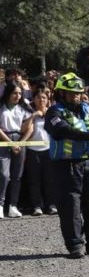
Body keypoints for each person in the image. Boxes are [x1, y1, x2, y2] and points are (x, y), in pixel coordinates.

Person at [44, 73, 89, 258]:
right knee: (70, 205)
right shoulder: (54, 112)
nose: (76, 96)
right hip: (66, 166)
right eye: (71, 93)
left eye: (78, 93)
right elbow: (60, 130)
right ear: (61, 93)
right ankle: (75, 245)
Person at [0, 82, 33, 218]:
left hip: (20, 140)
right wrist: (10, 143)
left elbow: (30, 127)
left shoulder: (23, 108)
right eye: (15, 93)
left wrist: (20, 143)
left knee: (17, 176)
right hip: (4, 140)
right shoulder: (1, 108)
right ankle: (1, 205)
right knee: (4, 174)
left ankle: (13, 205)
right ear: (8, 93)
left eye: (20, 93)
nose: (17, 96)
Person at [24, 88, 57, 216]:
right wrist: (33, 116)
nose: (41, 100)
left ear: (48, 100)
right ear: (34, 99)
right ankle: (37, 206)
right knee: (34, 180)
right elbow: (25, 129)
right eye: (38, 97)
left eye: (44, 97)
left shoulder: (52, 113)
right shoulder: (29, 112)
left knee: (50, 179)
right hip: (33, 150)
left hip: (49, 149)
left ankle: (52, 205)